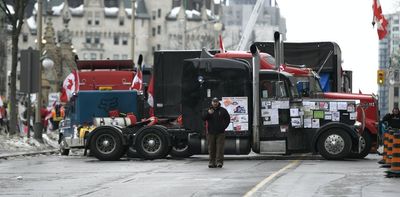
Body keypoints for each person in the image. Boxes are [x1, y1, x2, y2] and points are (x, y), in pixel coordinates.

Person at [202, 97, 230, 168]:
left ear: (218, 102)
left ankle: (219, 162)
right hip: (210, 132)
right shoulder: (207, 110)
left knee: (220, 148)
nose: (215, 103)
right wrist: (208, 113)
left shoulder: (223, 110)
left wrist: (223, 127)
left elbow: (228, 119)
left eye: (216, 102)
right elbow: (203, 118)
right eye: (214, 102)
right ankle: (211, 162)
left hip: (220, 133)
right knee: (211, 148)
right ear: (212, 102)